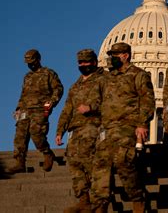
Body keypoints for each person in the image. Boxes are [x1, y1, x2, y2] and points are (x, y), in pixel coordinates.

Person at [90, 43, 155, 213]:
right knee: (100, 166)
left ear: (126, 55)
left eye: (115, 54)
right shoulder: (106, 78)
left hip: (127, 126)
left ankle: (137, 198)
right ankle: (100, 205)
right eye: (111, 54)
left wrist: (142, 124)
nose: (112, 58)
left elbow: (147, 101)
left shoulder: (139, 75)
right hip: (106, 129)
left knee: (123, 162)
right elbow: (99, 102)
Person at [55, 49, 105, 213]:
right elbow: (67, 109)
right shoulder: (75, 86)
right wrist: (59, 131)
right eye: (80, 63)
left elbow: (112, 103)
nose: (83, 65)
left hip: (94, 126)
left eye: (86, 62)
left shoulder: (103, 80)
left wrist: (91, 108)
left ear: (94, 62)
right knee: (75, 164)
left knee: (90, 164)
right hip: (75, 130)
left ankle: (99, 202)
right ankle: (84, 200)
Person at [7, 49, 63, 173]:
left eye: (32, 61)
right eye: (28, 63)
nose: (30, 65)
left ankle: (47, 153)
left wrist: (51, 102)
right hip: (25, 110)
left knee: (37, 134)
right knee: (20, 136)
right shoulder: (27, 77)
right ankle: (19, 162)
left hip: (39, 109)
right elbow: (23, 95)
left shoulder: (49, 73)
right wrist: (18, 109)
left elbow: (58, 89)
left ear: (38, 59)